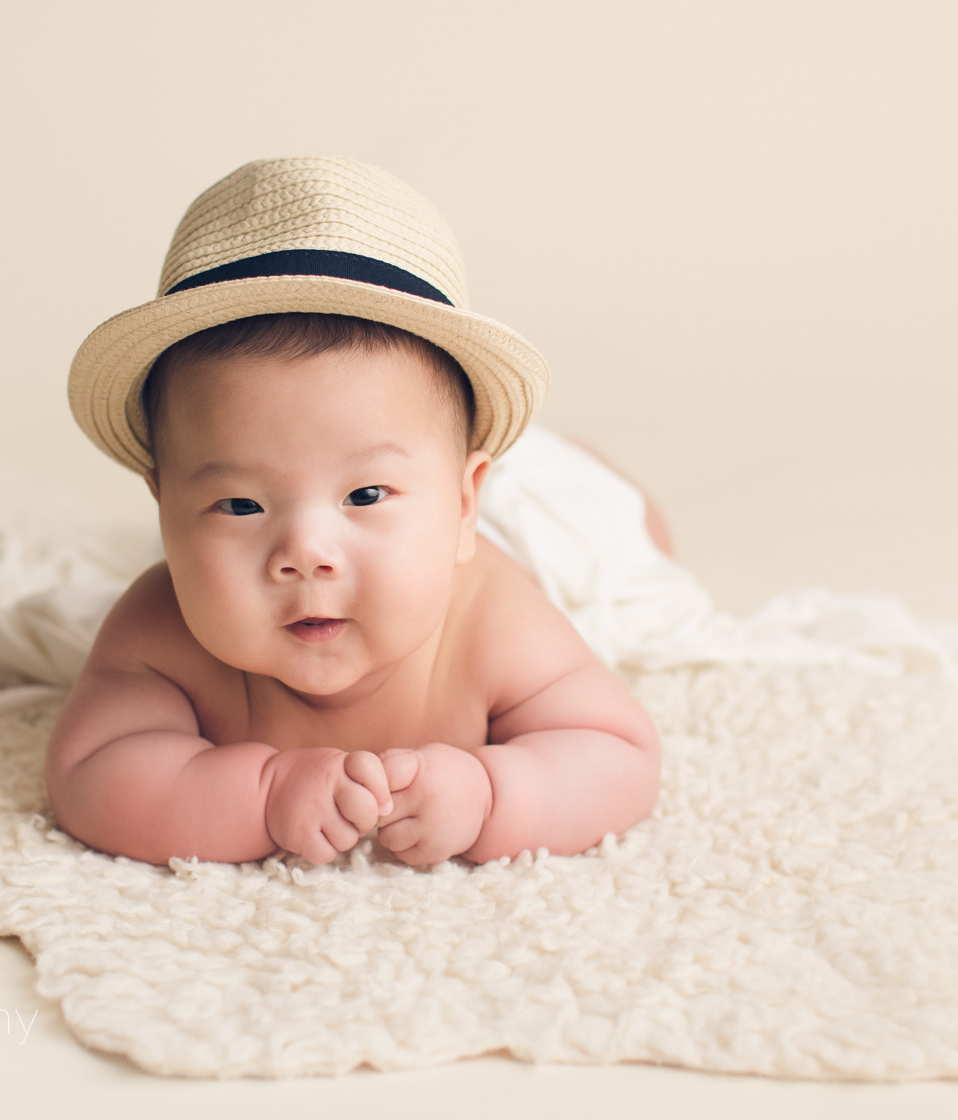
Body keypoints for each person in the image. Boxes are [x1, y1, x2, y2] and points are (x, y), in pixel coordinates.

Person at [47, 156, 661, 867]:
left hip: (525, 520)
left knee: (622, 538)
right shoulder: (159, 631)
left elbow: (619, 752)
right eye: (241, 504)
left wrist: (492, 793)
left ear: (464, 505)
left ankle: (570, 466)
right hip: (432, 482)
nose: (306, 552)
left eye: (365, 496)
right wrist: (263, 794)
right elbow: (91, 772)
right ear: (165, 512)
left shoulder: (491, 618)